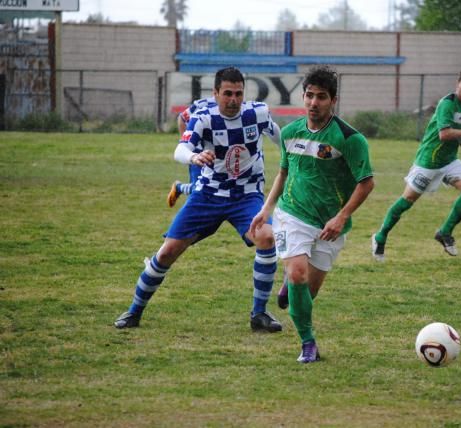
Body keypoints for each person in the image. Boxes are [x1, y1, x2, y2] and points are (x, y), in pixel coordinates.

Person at [114, 66, 283, 333]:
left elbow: (282, 139)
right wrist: (194, 157)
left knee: (266, 236)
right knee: (168, 251)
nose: (233, 99)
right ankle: (134, 311)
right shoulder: (204, 118)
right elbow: (180, 148)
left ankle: (259, 314)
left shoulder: (258, 113)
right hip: (208, 195)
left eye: (238, 93)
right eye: (227, 93)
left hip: (247, 195)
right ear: (215, 93)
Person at [250, 65, 375, 363]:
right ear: (303, 97)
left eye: (321, 97)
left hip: (330, 225)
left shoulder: (350, 139)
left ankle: (292, 291)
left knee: (308, 290)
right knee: (297, 274)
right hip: (292, 214)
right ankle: (308, 343)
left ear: (333, 100)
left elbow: (367, 183)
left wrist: (342, 217)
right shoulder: (290, 132)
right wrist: (267, 209)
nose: (313, 102)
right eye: (309, 95)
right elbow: (283, 172)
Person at [371, 68, 461, 261]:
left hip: (449, 160)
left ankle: (444, 232)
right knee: (407, 200)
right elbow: (443, 134)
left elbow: (455, 127)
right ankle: (380, 236)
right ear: (457, 84)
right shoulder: (447, 103)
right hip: (430, 161)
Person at [166, 97, 215, 207]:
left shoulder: (236, 106)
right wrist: (186, 144)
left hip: (217, 154)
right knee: (197, 189)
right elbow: (182, 118)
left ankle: (179, 188)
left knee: (209, 186)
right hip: (197, 152)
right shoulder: (204, 104)